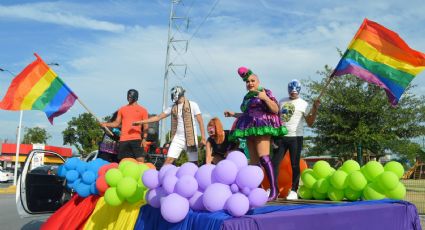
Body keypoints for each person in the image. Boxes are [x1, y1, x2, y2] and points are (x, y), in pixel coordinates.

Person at [224, 67, 287, 201]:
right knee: (253, 163)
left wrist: (265, 98)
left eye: (252, 80)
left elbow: (275, 109)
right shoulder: (247, 97)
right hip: (250, 128)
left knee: (264, 157)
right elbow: (247, 115)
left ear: (258, 82)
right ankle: (257, 190)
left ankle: (274, 190)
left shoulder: (265, 92)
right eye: (247, 82)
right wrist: (233, 114)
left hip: (262, 126)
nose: (250, 83)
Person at [132, 86, 206, 165]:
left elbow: (200, 121)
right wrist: (141, 122)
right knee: (169, 160)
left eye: (173, 95)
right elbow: (158, 117)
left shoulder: (193, 105)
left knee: (193, 162)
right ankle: (162, 176)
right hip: (178, 138)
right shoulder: (173, 107)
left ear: (177, 94)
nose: (172, 97)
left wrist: (203, 138)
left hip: (190, 138)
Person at [272, 79, 320, 200]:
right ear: (288, 90)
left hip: (296, 137)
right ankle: (274, 189)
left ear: (299, 90)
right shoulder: (281, 101)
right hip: (281, 137)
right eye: (291, 91)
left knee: (294, 164)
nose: (293, 93)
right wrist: (273, 137)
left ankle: (294, 190)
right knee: (274, 163)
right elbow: (276, 119)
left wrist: (315, 109)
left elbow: (310, 123)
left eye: (295, 91)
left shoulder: (303, 103)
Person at [100, 89, 149, 162]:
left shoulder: (143, 110)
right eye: (128, 96)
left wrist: (144, 139)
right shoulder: (122, 109)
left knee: (140, 160)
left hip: (136, 139)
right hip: (124, 140)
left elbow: (146, 126)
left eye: (130, 96)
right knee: (124, 162)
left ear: (135, 97)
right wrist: (105, 124)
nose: (129, 98)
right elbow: (116, 123)